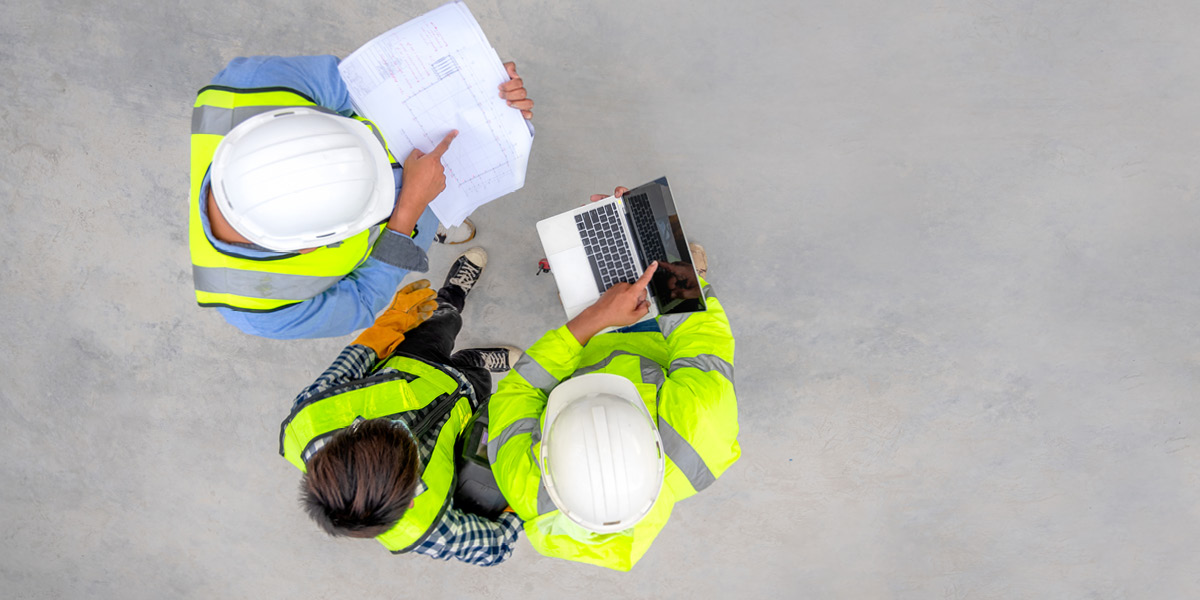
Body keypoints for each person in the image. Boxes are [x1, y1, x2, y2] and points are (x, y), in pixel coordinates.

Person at [189, 55, 534, 339]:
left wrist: (478, 90)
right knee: (424, 221)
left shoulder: (253, 85)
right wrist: (407, 216)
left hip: (414, 198)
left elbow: (370, 82)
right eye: (375, 199)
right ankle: (431, 223)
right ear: (312, 246)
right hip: (406, 219)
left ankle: (432, 218)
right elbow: (364, 299)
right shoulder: (264, 311)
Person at [486, 193, 740, 571]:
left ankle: (603, 287)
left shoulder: (524, 481)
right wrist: (651, 239)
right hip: (660, 337)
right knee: (678, 271)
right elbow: (699, 332)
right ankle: (691, 269)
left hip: (590, 334)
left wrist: (594, 317)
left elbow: (518, 389)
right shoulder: (700, 426)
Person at [279, 248, 524, 565]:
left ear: (348, 436)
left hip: (414, 359)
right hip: (465, 407)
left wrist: (390, 325)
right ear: (409, 502)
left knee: (442, 320)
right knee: (477, 378)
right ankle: (472, 361)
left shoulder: (309, 417)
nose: (403, 429)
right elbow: (497, 546)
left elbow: (349, 365)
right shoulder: (423, 528)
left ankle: (453, 295)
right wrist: (524, 488)